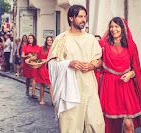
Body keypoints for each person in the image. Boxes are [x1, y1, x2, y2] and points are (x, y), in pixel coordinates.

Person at [47, 4, 105, 133]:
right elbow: (50, 64)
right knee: (71, 126)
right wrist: (68, 63)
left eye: (85, 16)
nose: (83, 19)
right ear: (71, 18)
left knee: (95, 124)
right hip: (70, 91)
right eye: (80, 16)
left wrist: (92, 66)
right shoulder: (62, 39)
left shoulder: (91, 39)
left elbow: (99, 60)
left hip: (89, 87)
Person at [99, 17, 141, 133]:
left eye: (116, 26)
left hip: (125, 88)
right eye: (111, 26)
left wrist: (131, 73)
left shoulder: (131, 46)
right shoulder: (104, 44)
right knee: (108, 124)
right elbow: (97, 64)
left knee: (128, 124)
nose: (113, 29)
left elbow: (136, 69)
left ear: (122, 28)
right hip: (108, 87)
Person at [36, 36, 53, 105]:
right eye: (48, 40)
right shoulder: (42, 48)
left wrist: (47, 60)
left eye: (50, 40)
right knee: (42, 84)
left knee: (51, 84)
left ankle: (53, 100)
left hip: (50, 68)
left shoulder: (54, 49)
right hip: (42, 68)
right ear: (46, 41)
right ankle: (41, 99)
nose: (49, 41)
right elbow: (38, 58)